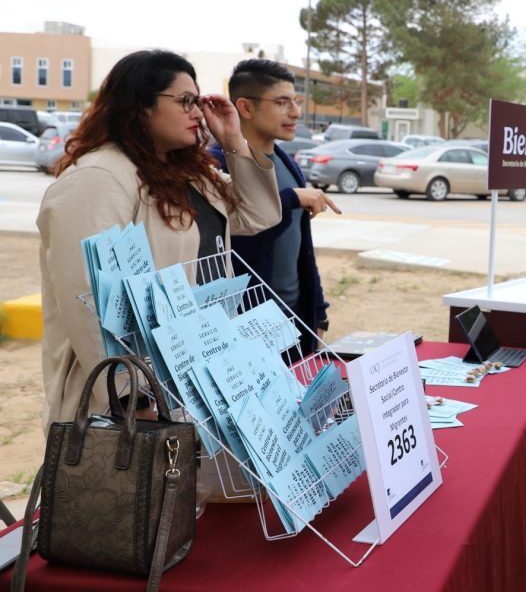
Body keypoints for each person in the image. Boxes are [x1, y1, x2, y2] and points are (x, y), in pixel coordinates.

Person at [37, 50, 282, 430]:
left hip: (184, 383)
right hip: (123, 411)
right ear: (139, 106)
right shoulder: (99, 178)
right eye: (185, 101)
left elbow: (260, 215)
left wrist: (234, 140)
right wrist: (134, 398)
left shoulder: (188, 174)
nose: (198, 112)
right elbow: (88, 297)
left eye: (197, 100)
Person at [208, 59, 338, 356]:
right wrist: (289, 200)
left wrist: (318, 313)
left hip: (295, 320)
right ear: (245, 107)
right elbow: (236, 242)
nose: (295, 112)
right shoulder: (216, 165)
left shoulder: (286, 162)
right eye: (282, 102)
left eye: (295, 101)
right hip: (246, 326)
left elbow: (304, 248)